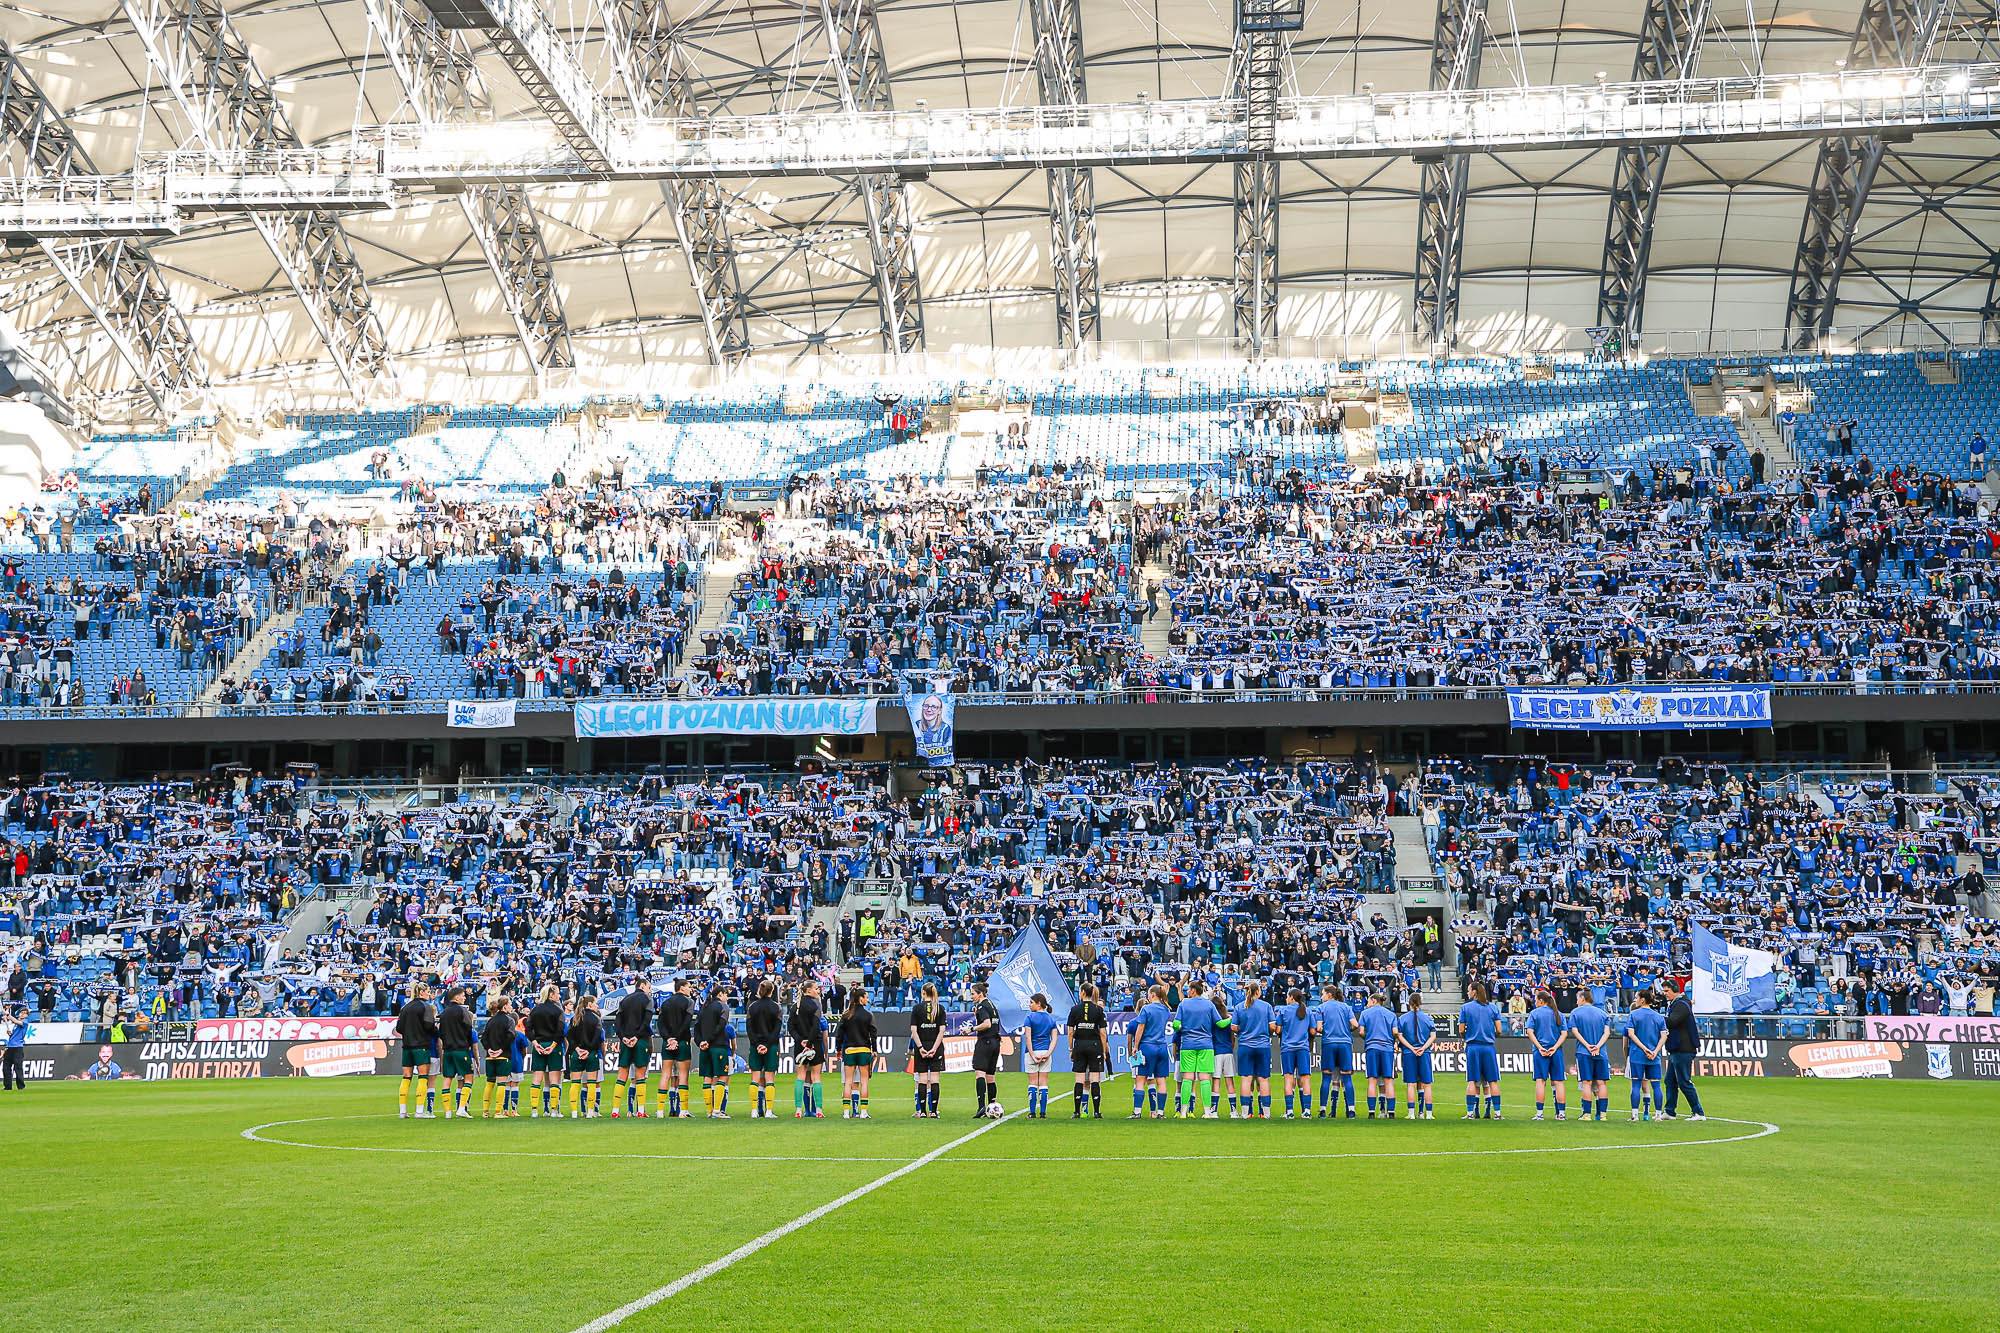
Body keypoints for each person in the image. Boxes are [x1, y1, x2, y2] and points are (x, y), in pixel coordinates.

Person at [1171, 977, 1225, 1119]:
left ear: (1194, 990)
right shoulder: (1209, 1005)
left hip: (1187, 1045)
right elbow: (1220, 1024)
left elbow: (1176, 1025)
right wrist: (1232, 1019)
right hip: (1206, 1045)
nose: (1188, 992)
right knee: (1205, 1078)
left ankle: (1183, 1112)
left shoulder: (1184, 1004)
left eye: (1189, 989)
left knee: (1187, 1078)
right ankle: (1207, 1112)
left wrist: (1181, 1027)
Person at [1661, 980, 1706, 1121]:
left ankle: (1698, 1112)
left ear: (1675, 990)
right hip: (1677, 1048)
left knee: (1684, 1081)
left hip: (1683, 1048)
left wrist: (1655, 1018)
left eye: (1667, 991)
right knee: (1670, 1080)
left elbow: (1672, 1021)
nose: (1665, 994)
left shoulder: (1681, 1004)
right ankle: (1669, 1111)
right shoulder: (1678, 1003)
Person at [1128, 983, 1174, 1119]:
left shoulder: (1146, 1009)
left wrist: (1135, 1046)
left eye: (1149, 993)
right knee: (1161, 1080)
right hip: (1162, 1046)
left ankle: (1137, 1112)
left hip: (1147, 1046)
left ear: (1153, 994)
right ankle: (1160, 1112)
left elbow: (1140, 1028)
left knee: (1140, 1079)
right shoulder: (1166, 1010)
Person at [1459, 981, 1503, 1119]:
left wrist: (1467, 1036)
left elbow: (1461, 1029)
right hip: (1488, 1047)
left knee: (1472, 1080)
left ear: (1474, 992)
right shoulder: (1493, 1008)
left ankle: (1470, 1113)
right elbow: (1500, 1030)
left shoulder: (1466, 1008)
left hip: (1473, 1047)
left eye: (1468, 990)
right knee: (1492, 1081)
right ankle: (1497, 1113)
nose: (1467, 992)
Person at [1567, 987, 1612, 1123]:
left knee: (1586, 1083)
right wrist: (1597, 1046)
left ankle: (1587, 1114)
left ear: (1582, 998)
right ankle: (1603, 1114)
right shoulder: (1602, 1013)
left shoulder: (1575, 1013)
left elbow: (1575, 1031)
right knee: (1601, 1083)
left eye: (1577, 999)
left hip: (1584, 1052)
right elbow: (1607, 1032)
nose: (1576, 1002)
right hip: (1601, 1052)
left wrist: (1588, 1046)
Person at [1315, 983, 1359, 1119]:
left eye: (1323, 994)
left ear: (1329, 995)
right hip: (1345, 1043)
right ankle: (1351, 1110)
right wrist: (1346, 1031)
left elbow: (1319, 1028)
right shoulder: (1346, 1007)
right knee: (1347, 1077)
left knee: (1326, 1077)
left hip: (1329, 1043)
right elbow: (1355, 1025)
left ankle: (1322, 1110)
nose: (1321, 996)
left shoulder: (1321, 1008)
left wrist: (1328, 1030)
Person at [1526, 987, 1570, 1121]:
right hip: (1555, 1052)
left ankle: (1540, 1113)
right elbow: (1564, 1034)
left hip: (1540, 1052)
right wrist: (1555, 1047)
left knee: (1540, 1081)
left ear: (1540, 1000)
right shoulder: (1558, 1014)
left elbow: (1530, 1032)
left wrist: (1539, 1047)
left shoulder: (1535, 1013)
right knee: (1559, 1082)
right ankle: (1561, 1113)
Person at [395, 981, 438, 1119]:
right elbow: (429, 1026)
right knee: (423, 1077)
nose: (429, 993)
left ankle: (403, 1111)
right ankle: (419, 1111)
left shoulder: (405, 1008)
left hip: (407, 1046)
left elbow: (399, 1028)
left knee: (406, 1077)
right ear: (421, 992)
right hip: (421, 1046)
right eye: (428, 991)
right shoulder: (426, 1007)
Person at [611, 977, 652, 1119]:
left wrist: (623, 1037)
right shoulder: (647, 1000)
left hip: (625, 1040)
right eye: (649, 987)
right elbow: (647, 1021)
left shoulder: (624, 1000)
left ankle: (615, 1110)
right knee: (640, 1075)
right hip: (640, 1040)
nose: (649, 990)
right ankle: (640, 1110)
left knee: (622, 1074)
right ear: (642, 985)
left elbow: (617, 1022)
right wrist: (637, 1036)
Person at [655, 975, 695, 1118]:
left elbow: (660, 1024)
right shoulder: (689, 1002)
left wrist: (669, 1039)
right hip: (682, 1041)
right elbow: (686, 1022)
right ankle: (683, 1110)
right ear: (682, 988)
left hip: (667, 1042)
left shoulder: (666, 1003)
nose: (690, 989)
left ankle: (660, 1110)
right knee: (683, 1075)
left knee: (665, 1074)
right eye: (689, 986)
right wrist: (677, 1039)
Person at [1233, 979, 1274, 1119]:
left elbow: (1233, 1027)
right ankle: (1266, 1113)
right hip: (1262, 1046)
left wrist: (1242, 1030)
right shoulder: (1266, 1006)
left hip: (1245, 1045)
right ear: (1258, 991)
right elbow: (1273, 1026)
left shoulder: (1239, 1007)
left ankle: (1245, 1113)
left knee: (1246, 1079)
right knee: (1263, 1079)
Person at [744, 979, 784, 1120]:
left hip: (755, 1046)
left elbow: (749, 1029)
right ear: (772, 991)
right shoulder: (776, 1007)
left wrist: (757, 1044)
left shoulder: (752, 1007)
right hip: (771, 1046)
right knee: (769, 1079)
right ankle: (769, 1111)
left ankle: (754, 1110)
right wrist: (766, 1045)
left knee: (755, 1078)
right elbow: (777, 1030)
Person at [1066, 983, 1108, 1119]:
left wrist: (1071, 1048)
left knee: (1079, 1079)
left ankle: (1077, 1111)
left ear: (1083, 992)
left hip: (1079, 1045)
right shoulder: (1098, 1010)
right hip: (1094, 1045)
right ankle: (1096, 1112)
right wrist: (1103, 1050)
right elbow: (1103, 1033)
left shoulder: (1074, 1009)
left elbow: (1070, 1032)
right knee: (1095, 1079)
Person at [835, 984, 877, 1119]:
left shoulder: (846, 1015)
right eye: (866, 997)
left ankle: (846, 1112)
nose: (867, 1000)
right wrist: (874, 1050)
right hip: (864, 1049)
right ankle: (863, 1112)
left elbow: (839, 1034)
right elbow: (873, 1035)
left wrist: (838, 1049)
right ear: (861, 999)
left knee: (848, 1081)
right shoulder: (868, 1015)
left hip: (849, 1050)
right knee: (864, 1081)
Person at [1625, 989, 1667, 1122]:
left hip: (1637, 1055)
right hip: (1654, 1056)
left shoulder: (1634, 1015)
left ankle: (1635, 1115)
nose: (1635, 1000)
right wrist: (1655, 1051)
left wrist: (1644, 1049)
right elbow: (1664, 1036)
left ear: (1642, 1000)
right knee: (1656, 1085)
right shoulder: (1658, 1017)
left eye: (1637, 997)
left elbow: (1631, 1034)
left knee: (1636, 1084)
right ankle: (1659, 1115)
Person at [525, 984, 566, 1118]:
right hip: (553, 1047)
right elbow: (560, 1030)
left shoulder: (535, 1010)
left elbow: (528, 1029)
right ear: (551, 994)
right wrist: (553, 1045)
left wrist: (535, 1043)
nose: (559, 996)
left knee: (537, 1079)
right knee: (554, 1080)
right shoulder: (558, 1011)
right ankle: (554, 1110)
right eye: (557, 993)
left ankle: (534, 1110)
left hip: (539, 1045)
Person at [1393, 992, 1436, 1120]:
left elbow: (1399, 1036)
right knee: (1426, 1084)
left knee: (1410, 1084)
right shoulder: (1428, 1018)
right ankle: (1428, 1114)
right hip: (1424, 1053)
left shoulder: (1402, 1018)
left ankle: (1411, 1113)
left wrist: (1411, 1048)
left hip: (1408, 1053)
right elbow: (1433, 1035)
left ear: (1409, 1003)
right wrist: (1423, 1047)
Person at [694, 983, 735, 1119]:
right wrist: (709, 1040)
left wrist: (701, 1042)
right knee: (722, 1077)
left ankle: (709, 1111)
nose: (727, 997)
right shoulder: (723, 1007)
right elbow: (720, 1026)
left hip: (705, 1048)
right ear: (720, 994)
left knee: (708, 1077)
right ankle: (717, 1110)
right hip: (718, 1046)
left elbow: (696, 1028)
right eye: (725, 994)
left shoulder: (704, 1008)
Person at [437, 984, 477, 1119]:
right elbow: (468, 1030)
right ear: (456, 996)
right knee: (468, 1077)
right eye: (463, 995)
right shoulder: (462, 1011)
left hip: (447, 1050)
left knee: (447, 1079)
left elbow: (440, 1033)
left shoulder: (443, 1013)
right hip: (461, 1049)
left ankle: (447, 1111)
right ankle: (461, 1108)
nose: (464, 997)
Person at [1357, 990, 1398, 1118]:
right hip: (1387, 1048)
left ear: (1374, 1000)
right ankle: (1391, 1112)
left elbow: (1361, 1032)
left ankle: (1371, 1112)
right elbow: (1395, 1032)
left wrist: (1369, 1038)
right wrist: (1392, 1041)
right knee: (1388, 1081)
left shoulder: (1365, 1013)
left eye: (1369, 1001)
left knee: (1372, 1081)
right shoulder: (1391, 1014)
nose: (1367, 1004)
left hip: (1372, 1048)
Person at [790, 979, 828, 1119]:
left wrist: (801, 1041)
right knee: (816, 1077)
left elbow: (791, 1027)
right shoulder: (815, 1006)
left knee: (800, 1077)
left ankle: (798, 1109)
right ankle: (818, 1109)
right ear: (808, 990)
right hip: (815, 1044)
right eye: (816, 988)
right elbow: (816, 1026)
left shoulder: (796, 1006)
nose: (818, 990)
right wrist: (810, 1043)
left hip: (800, 1046)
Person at [909, 983, 947, 1119]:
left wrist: (920, 1048)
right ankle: (934, 1111)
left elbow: (914, 1030)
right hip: (936, 1048)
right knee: (935, 1079)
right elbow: (941, 1031)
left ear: (923, 993)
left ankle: (923, 1112)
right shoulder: (940, 1008)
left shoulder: (917, 1008)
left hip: (922, 1047)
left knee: (922, 1079)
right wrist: (934, 1048)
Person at [1020, 992, 1060, 1118]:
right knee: (1043, 1082)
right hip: (1045, 1052)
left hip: (1033, 1052)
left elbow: (1028, 1037)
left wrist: (1031, 1053)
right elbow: (1054, 1039)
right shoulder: (1051, 1019)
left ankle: (1032, 1112)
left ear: (1039, 1004)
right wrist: (1048, 1053)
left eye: (1031, 1002)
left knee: (1032, 1082)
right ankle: (1043, 1113)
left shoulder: (1030, 1018)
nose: (1029, 1005)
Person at [1277, 988, 1315, 1118]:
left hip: (1287, 1049)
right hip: (1303, 1048)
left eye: (1287, 996)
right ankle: (1307, 1111)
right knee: (1305, 1079)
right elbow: (1313, 1031)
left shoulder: (1283, 1010)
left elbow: (1277, 1029)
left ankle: (1289, 1111)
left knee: (1288, 1078)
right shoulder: (1308, 1011)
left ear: (1292, 997)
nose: (1286, 999)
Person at [567, 993, 605, 1119]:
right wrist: (588, 1051)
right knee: (592, 1083)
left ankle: (574, 1112)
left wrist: (577, 1049)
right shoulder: (595, 1019)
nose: (597, 1005)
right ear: (590, 1004)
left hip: (576, 1054)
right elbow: (597, 1038)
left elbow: (569, 1037)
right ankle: (590, 1111)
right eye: (595, 1003)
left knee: (575, 1083)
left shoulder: (575, 1018)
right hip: (591, 1053)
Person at [969, 980, 1003, 1119]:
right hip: (995, 1042)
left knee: (980, 1074)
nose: (971, 997)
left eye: (973, 994)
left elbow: (987, 1023)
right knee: (991, 1076)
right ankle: (992, 1105)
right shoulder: (992, 1005)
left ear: (980, 993)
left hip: (985, 1041)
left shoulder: (982, 1006)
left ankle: (981, 1107)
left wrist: (972, 1029)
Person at [479, 995, 516, 1119]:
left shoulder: (491, 1020)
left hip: (490, 1057)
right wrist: (500, 1050)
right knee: (501, 1084)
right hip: (503, 1056)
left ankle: (485, 1111)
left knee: (489, 1083)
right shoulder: (509, 1020)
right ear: (505, 1006)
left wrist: (489, 1049)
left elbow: (483, 1038)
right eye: (510, 1004)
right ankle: (498, 1112)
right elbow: (510, 1036)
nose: (511, 1006)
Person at [1208, 985, 1236, 1117]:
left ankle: (1214, 1111)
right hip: (1228, 1051)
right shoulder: (1228, 1018)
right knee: (1229, 1081)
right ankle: (1233, 1111)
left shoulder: (1211, 1020)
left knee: (1216, 1081)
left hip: (1216, 1052)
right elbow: (1233, 1037)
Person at [3, 1005, 26, 1091]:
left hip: (18, 1048)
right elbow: (14, 1036)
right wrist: (10, 1034)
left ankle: (21, 1086)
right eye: (22, 1013)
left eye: (25, 1013)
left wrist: (8, 1015)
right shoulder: (15, 1025)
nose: (23, 1015)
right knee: (6, 1067)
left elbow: (16, 1021)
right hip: (10, 1047)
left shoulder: (25, 1023)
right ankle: (8, 1086)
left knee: (18, 1068)